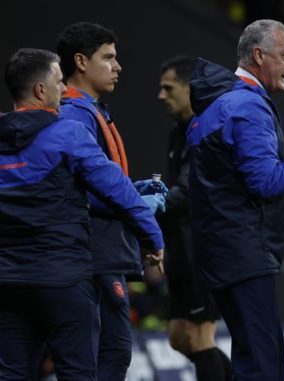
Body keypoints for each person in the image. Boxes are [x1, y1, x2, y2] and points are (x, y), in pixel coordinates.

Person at [187, 19, 284, 380]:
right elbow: (263, 181)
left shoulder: (221, 103)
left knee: (261, 355)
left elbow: (233, 180)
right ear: (259, 55)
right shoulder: (247, 105)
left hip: (224, 250)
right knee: (261, 365)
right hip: (242, 253)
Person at [0, 48, 164, 379]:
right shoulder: (67, 134)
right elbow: (117, 190)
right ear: (40, 91)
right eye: (59, 83)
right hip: (63, 281)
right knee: (77, 373)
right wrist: (152, 236)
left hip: (8, 283)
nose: (65, 90)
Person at [56, 22, 166, 380]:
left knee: (107, 354)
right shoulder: (74, 115)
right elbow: (81, 193)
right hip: (91, 255)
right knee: (107, 354)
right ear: (81, 62)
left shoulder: (92, 111)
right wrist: (137, 208)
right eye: (108, 57)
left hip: (102, 252)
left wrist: (135, 192)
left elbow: (102, 181)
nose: (117, 66)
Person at [157, 55, 233, 380]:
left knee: (201, 338)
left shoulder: (207, 128)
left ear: (190, 88)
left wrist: (142, 204)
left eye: (168, 88)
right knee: (178, 338)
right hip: (179, 250)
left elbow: (188, 191)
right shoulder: (177, 133)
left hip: (204, 252)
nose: (161, 95)